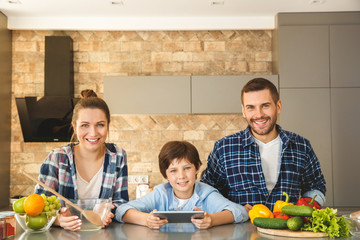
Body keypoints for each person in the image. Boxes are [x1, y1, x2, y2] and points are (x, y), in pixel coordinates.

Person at [201, 78, 326, 212]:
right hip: (238, 231)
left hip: (287, 230)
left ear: (278, 106)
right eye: (251, 107)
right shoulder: (224, 148)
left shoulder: (301, 146)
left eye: (265, 105)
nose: (259, 115)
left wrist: (303, 210)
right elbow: (208, 191)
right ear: (243, 110)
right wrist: (234, 210)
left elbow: (316, 186)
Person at [35, 89, 129, 231]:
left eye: (100, 125)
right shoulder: (57, 158)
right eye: (85, 125)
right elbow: (38, 206)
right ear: (74, 127)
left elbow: (121, 202)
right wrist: (58, 220)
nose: (93, 133)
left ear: (108, 125)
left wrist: (109, 210)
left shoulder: (118, 156)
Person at [115, 141, 249, 229]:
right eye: (173, 170)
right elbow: (122, 210)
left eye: (187, 168)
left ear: (197, 168)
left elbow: (240, 212)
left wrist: (212, 220)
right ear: (165, 174)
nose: (181, 176)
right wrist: (146, 220)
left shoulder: (207, 193)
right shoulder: (160, 193)